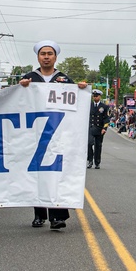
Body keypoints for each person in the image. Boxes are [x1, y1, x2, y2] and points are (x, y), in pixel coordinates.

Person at [18, 40, 87, 230]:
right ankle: (39, 215)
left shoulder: (64, 79)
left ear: (55, 57)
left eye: (50, 54)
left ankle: (58, 216)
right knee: (37, 175)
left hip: (58, 135)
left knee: (57, 174)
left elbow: (75, 105)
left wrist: (80, 90)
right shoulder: (29, 78)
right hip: (34, 134)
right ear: (38, 57)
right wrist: (20, 87)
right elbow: (17, 102)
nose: (46, 57)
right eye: (43, 54)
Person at [87, 89, 110, 169]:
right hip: (90, 127)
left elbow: (106, 118)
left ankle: (97, 162)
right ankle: (90, 160)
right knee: (89, 143)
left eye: (96, 96)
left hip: (100, 129)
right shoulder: (89, 105)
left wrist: (105, 128)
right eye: (94, 96)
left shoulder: (104, 107)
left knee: (98, 146)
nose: (95, 97)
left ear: (100, 96)